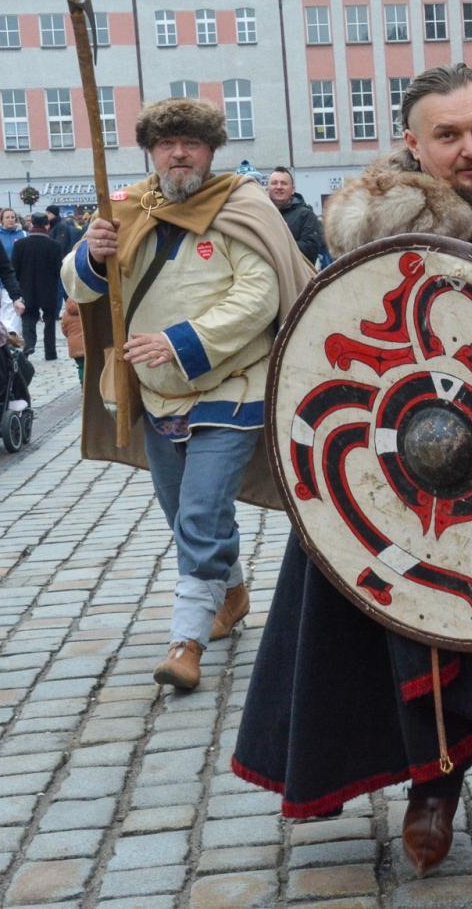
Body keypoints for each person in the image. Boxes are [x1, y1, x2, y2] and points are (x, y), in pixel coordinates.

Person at [233, 50, 472, 875]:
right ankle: (434, 794)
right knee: (433, 643)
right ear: (413, 145)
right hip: (413, 477)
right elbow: (345, 359)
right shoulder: (382, 229)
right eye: (449, 135)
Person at [63, 97, 310, 692]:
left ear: (210, 150)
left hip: (232, 384)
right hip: (156, 392)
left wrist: (182, 342)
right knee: (183, 514)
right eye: (167, 144)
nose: (179, 154)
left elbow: (260, 295)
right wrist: (90, 256)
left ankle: (186, 640)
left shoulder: (243, 205)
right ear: (150, 151)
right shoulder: (123, 210)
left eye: (192, 143)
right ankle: (231, 591)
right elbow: (80, 290)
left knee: (200, 512)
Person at [12, 213, 63, 360]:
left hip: (26, 287)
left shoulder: (20, 244)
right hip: (49, 288)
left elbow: (14, 268)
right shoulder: (55, 246)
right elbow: (58, 269)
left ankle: (29, 345)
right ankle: (50, 352)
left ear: (32, 224)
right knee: (49, 321)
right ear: (47, 225)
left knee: (28, 317)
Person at [264, 166, 321, 266]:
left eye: (284, 183)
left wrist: (280, 241)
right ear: (267, 188)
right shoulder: (261, 213)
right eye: (274, 183)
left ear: (293, 189)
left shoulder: (306, 215)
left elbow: (310, 251)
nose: (279, 186)